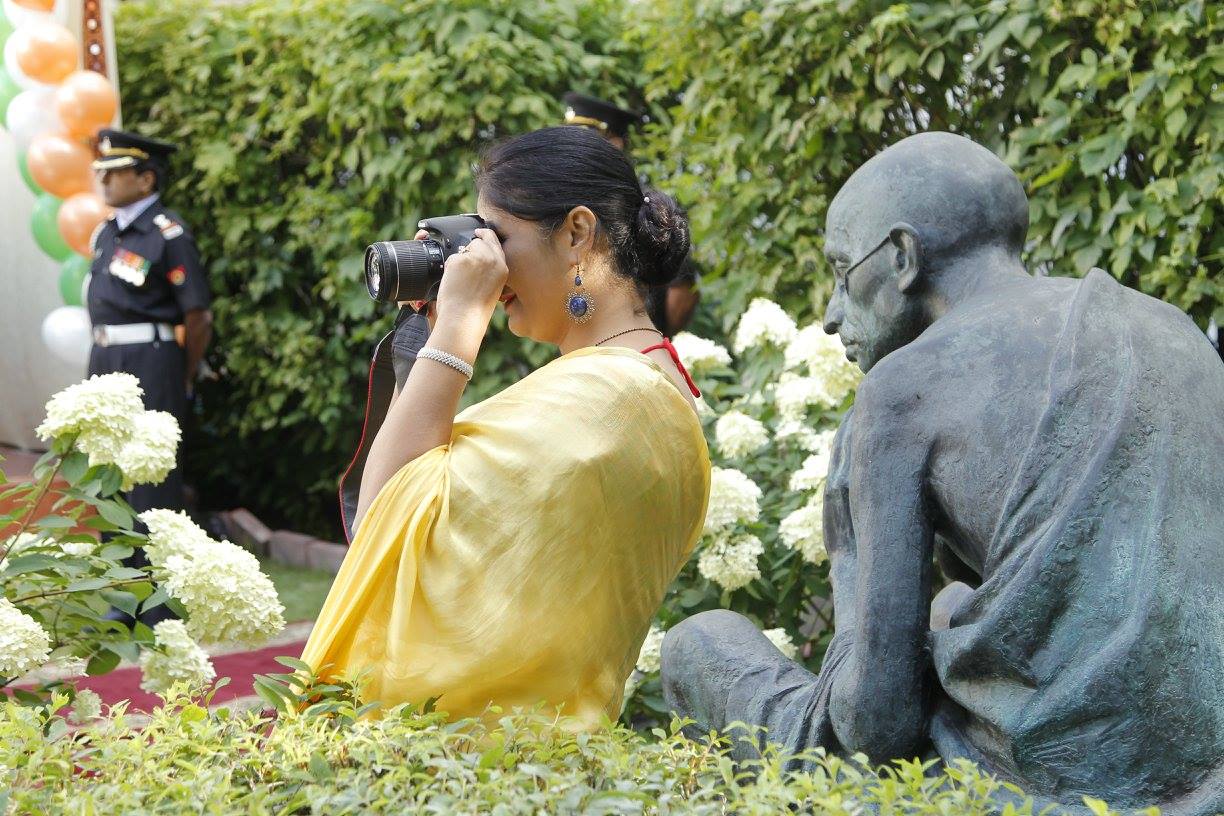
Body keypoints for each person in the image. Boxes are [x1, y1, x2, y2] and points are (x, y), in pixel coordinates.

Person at [661, 132, 1224, 815]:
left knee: (699, 643)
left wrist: (848, 553)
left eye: (843, 272)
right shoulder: (1172, 330)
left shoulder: (905, 389)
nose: (833, 314)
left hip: (1029, 790)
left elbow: (876, 729)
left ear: (902, 256)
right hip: (1205, 785)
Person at [302, 126, 711, 729]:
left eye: (498, 237)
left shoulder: (602, 402)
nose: (482, 261)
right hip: (540, 764)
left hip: (470, 764)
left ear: (577, 232)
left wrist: (459, 326)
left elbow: (382, 514)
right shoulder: (637, 385)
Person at [87, 129, 212, 516]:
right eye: (101, 171)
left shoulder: (168, 233)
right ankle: (113, 571)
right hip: (104, 358)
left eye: (117, 171)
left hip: (150, 360)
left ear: (146, 178)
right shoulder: (106, 232)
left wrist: (184, 373)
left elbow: (198, 315)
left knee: (149, 470)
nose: (104, 179)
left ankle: (150, 572)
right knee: (106, 466)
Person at [563, 92, 700, 337]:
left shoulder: (648, 208)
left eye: (585, 140)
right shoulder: (563, 203)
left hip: (638, 347)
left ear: (615, 143)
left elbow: (683, 290)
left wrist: (659, 334)